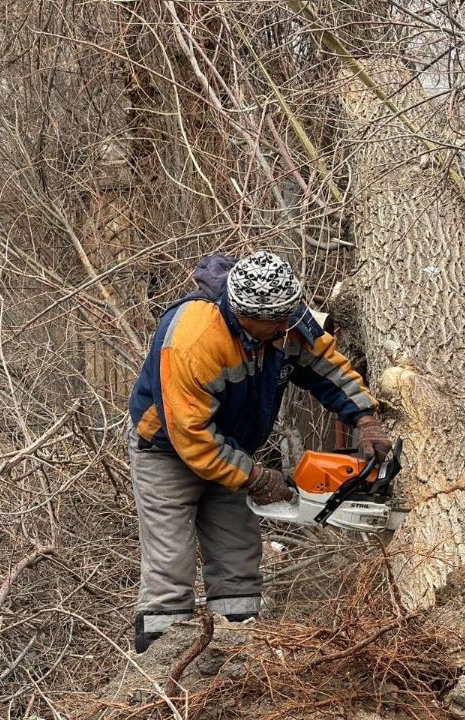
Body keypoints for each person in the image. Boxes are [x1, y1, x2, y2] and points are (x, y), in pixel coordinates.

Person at [127, 250, 392, 652]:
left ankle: (235, 653)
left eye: (289, 318)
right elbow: (191, 435)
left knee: (237, 558)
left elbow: (327, 365)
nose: (286, 330)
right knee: (170, 568)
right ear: (242, 313)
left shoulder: (287, 319)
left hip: (234, 447)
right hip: (168, 451)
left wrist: (365, 417)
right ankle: (161, 669)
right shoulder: (194, 339)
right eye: (276, 325)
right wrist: (254, 476)